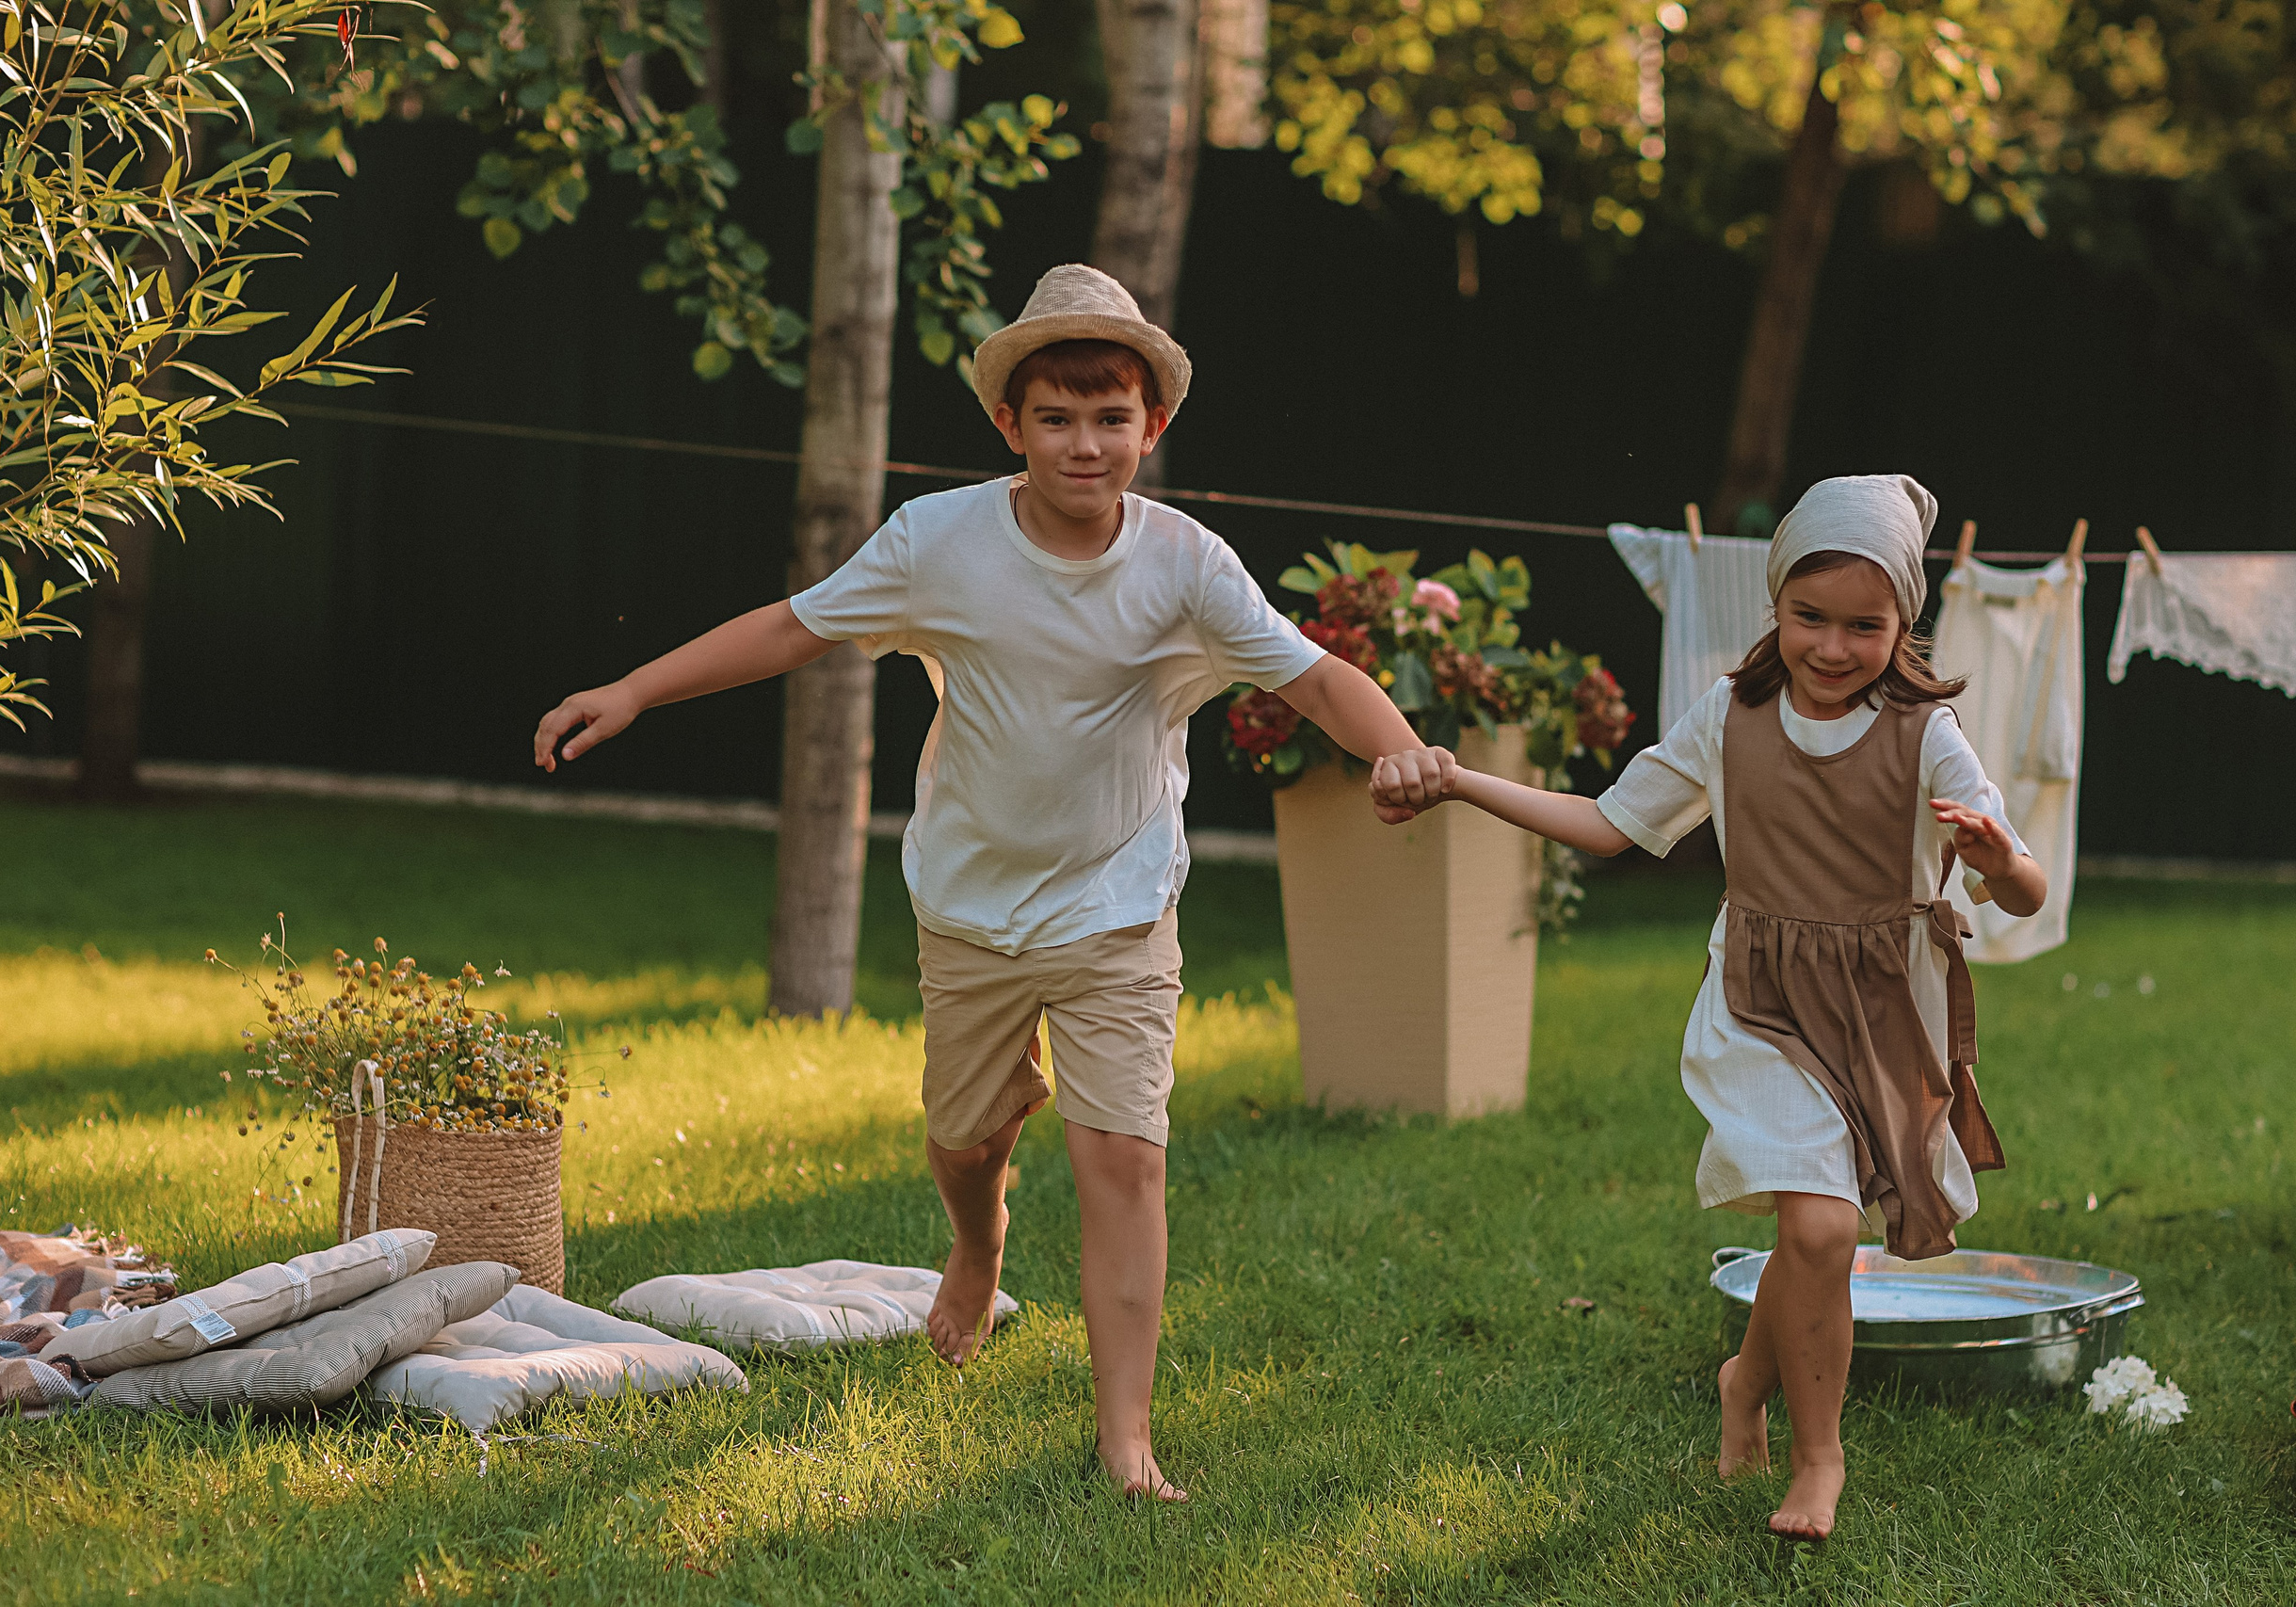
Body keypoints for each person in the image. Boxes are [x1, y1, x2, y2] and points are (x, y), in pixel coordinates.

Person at [533, 264, 1442, 1501]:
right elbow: (796, 625)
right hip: (971, 900)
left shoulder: (1187, 565)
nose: (1086, 443)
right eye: (1057, 417)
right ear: (1008, 425)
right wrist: (634, 686)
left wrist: (1393, 742)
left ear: (1151, 427)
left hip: (1120, 901)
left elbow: (1319, 677)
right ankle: (978, 1238)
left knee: (1124, 1153)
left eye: (1111, 417)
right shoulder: (939, 542)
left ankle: (1128, 1436)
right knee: (962, 1138)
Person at [1370, 474, 2046, 1540]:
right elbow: (1608, 822)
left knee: (1815, 1233)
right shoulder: (1730, 716)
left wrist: (1999, 859)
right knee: (1819, 1223)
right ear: (1774, 605)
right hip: (1760, 1000)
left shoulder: (1928, 734)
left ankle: (1745, 1380)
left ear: (1902, 623)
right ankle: (1817, 1460)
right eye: (1807, 617)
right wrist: (1460, 784)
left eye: (1863, 626)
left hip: (1879, 1017)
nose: (1830, 646)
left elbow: (2025, 889)